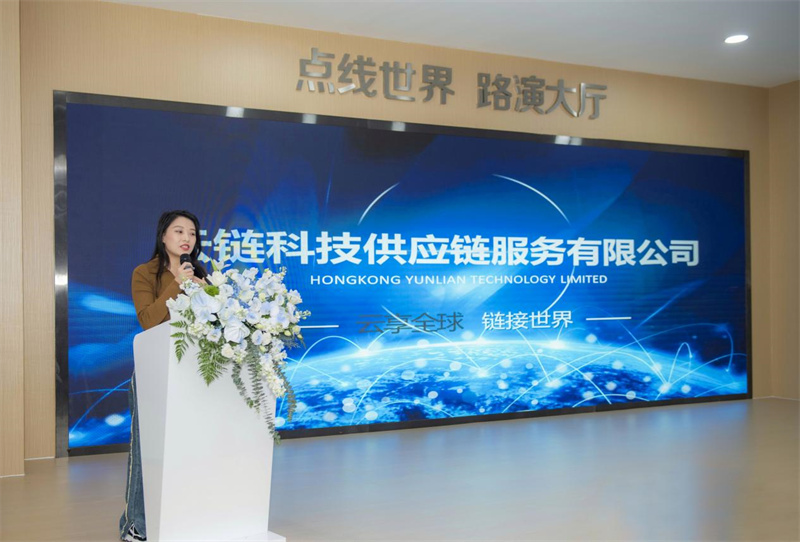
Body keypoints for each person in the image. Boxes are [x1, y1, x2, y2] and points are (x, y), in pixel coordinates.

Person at [120, 210, 208, 542]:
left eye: (192, 233)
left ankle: (182, 516)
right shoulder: (145, 273)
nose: (187, 238)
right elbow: (148, 320)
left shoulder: (201, 273)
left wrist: (208, 293)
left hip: (193, 374)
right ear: (163, 236)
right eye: (179, 231)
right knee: (148, 451)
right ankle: (136, 524)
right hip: (154, 372)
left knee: (189, 449)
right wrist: (177, 284)